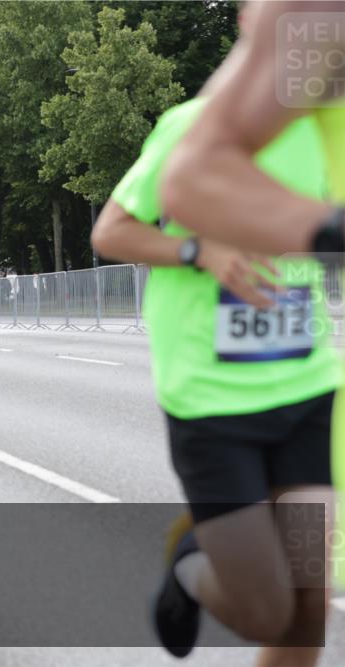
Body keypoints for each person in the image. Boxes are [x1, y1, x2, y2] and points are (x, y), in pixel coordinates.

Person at [130, 2, 344, 663]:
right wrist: (201, 252)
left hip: (306, 385)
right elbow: (116, 228)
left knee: (307, 611)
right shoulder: (187, 126)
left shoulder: (314, 127)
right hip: (215, 397)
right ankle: (192, 563)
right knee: (268, 611)